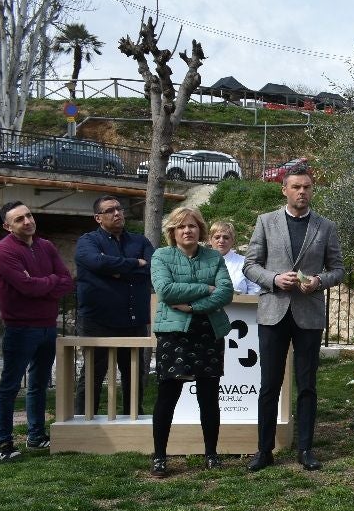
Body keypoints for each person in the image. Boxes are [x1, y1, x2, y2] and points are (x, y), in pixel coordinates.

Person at [243, 165, 344, 472]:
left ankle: (305, 449)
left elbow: (338, 270)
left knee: (308, 384)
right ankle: (264, 450)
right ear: (284, 190)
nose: (302, 191)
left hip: (309, 313)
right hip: (274, 311)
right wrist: (274, 279)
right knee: (269, 384)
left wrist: (319, 282)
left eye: (307, 187)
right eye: (296, 187)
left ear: (312, 190)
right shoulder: (266, 221)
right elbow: (250, 265)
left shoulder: (325, 226)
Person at [149, 208, 234, 478]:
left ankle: (211, 454)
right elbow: (165, 290)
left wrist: (192, 307)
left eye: (193, 226)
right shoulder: (161, 255)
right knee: (167, 396)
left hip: (207, 331)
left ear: (201, 230)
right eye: (181, 227)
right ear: (172, 232)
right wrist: (204, 287)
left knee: (209, 397)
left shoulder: (213, 256)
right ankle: (160, 456)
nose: (188, 230)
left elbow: (225, 292)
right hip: (173, 334)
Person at [0, 201, 74, 460]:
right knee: (10, 386)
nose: (27, 221)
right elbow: (27, 288)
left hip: (48, 326)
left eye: (29, 215)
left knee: (38, 384)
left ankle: (36, 436)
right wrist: (50, 282)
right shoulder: (3, 251)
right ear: (7, 226)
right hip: (20, 328)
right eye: (19, 219)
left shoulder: (45, 246)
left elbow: (67, 281)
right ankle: (4, 444)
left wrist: (42, 284)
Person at [74, 195, 155, 417]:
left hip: (133, 320)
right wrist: (134, 264)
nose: (117, 213)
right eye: (110, 210)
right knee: (92, 374)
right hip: (97, 321)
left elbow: (153, 268)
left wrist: (116, 270)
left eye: (119, 208)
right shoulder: (87, 241)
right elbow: (95, 262)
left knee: (133, 374)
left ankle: (132, 419)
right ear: (98, 218)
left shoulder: (140, 242)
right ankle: (82, 420)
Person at [209, 220, 259, 294]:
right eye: (217, 237)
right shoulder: (200, 261)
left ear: (233, 241)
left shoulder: (245, 263)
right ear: (210, 240)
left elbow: (255, 290)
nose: (221, 241)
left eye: (226, 238)